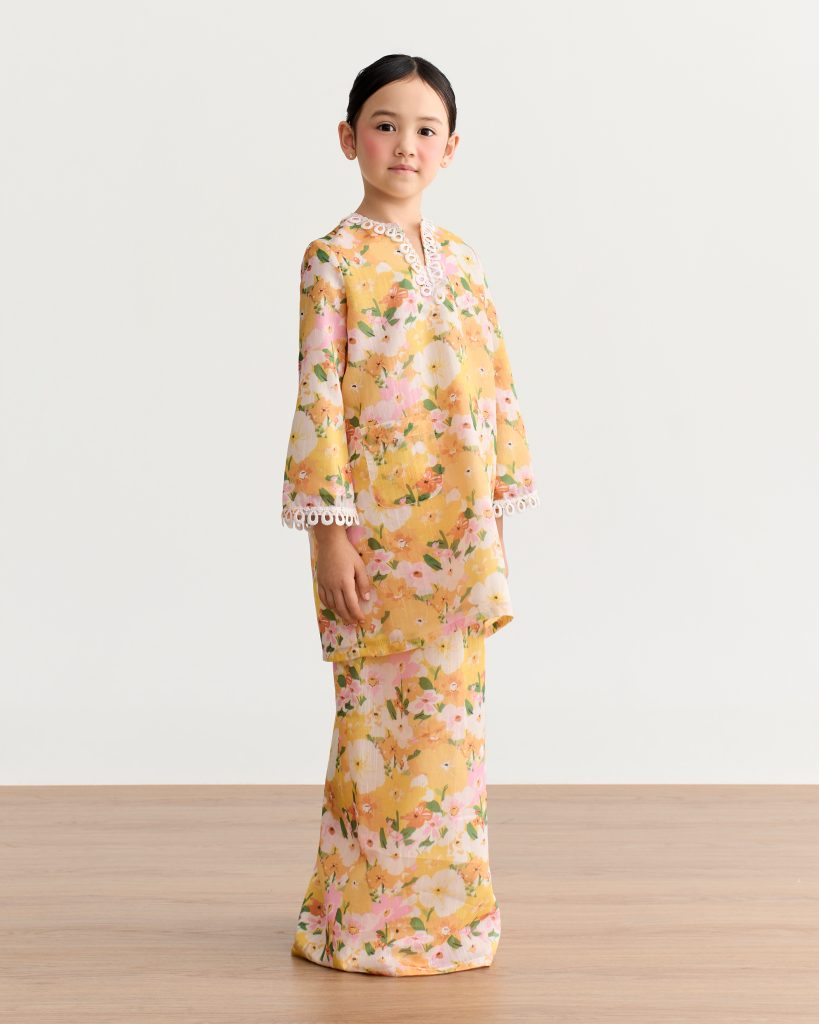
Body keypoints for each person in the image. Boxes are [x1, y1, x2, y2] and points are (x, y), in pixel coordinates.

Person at [281, 53, 540, 976]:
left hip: (458, 538)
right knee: (375, 727)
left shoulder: (462, 261)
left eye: (425, 130)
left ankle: (450, 920)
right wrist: (329, 537)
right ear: (348, 137)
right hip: (376, 536)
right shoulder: (332, 260)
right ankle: (357, 923)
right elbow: (320, 399)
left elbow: (496, 392)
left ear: (451, 148)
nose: (405, 145)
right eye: (385, 125)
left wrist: (496, 523)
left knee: (450, 731)